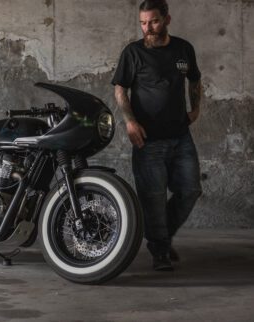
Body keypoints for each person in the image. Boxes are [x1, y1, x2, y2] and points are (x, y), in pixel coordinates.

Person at [111, 0, 203, 271]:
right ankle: (160, 250)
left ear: (167, 20)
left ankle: (159, 238)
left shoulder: (184, 49)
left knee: (190, 190)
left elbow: (194, 79)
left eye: (153, 21)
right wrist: (129, 122)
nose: (147, 28)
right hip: (147, 140)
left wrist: (195, 107)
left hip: (180, 136)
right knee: (153, 199)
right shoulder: (134, 52)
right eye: (143, 22)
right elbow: (120, 89)